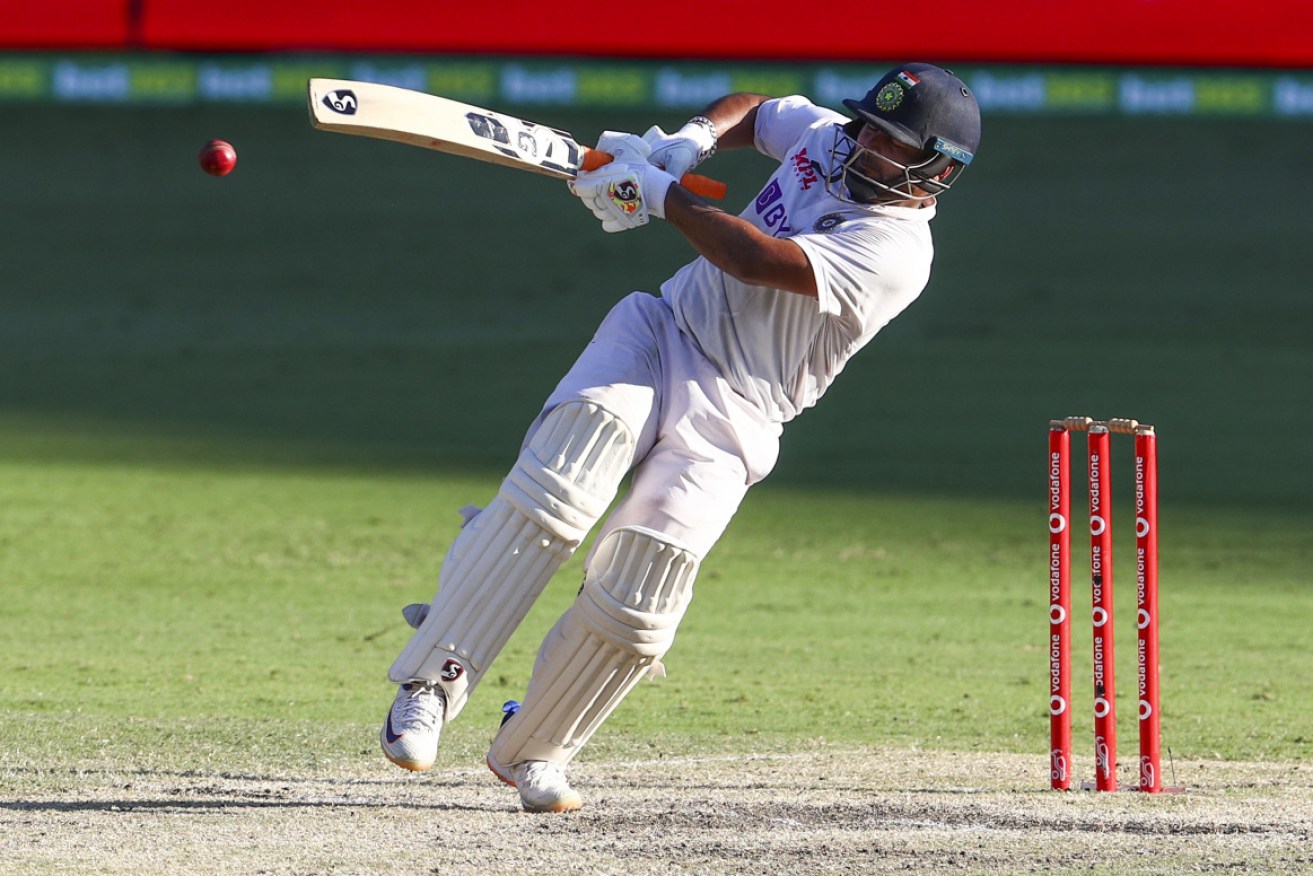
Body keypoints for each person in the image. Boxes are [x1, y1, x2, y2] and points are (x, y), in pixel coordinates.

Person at [379, 62, 981, 812]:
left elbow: (754, 258)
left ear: (935, 170)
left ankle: (534, 745)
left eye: (888, 143)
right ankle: (430, 682)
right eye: (865, 127)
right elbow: (757, 111)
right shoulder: (828, 140)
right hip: (662, 331)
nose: (862, 145)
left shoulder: (895, 253)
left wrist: (659, 195)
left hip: (741, 412)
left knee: (642, 592)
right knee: (564, 481)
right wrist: (688, 143)